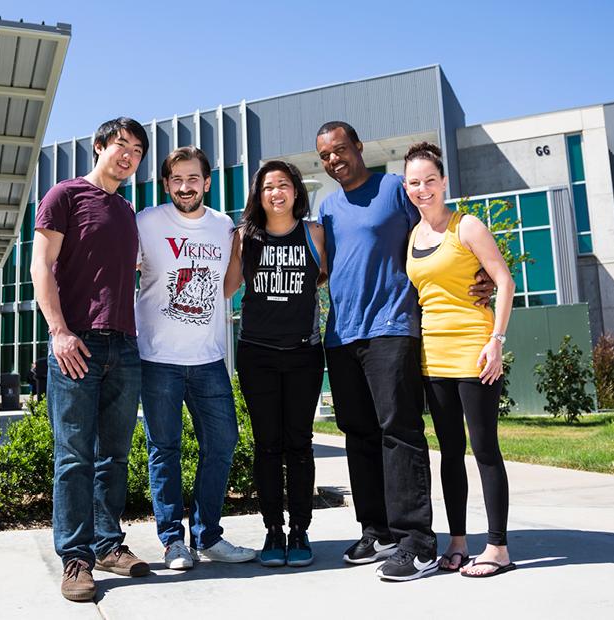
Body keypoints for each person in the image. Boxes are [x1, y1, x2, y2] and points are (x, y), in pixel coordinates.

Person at [314, 121, 494, 582]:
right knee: (358, 433)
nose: (334, 159)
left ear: (358, 146)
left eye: (340, 150)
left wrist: (481, 271)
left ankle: (416, 542)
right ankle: (377, 530)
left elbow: (439, 229)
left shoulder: (395, 188)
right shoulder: (327, 206)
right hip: (342, 333)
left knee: (399, 430)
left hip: (392, 326)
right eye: (325, 155)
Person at [30, 117, 150, 603]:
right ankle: (75, 558)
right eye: (121, 145)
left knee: (114, 456)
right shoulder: (65, 195)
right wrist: (58, 331)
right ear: (99, 147)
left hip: (124, 346)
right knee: (74, 456)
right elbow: (41, 265)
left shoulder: (126, 210)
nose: (128, 155)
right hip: (77, 343)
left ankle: (107, 544)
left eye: (137, 150)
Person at [135, 146, 256, 570]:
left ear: (206, 182)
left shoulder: (224, 227)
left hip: (208, 358)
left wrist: (241, 248)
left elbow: (225, 289)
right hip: (157, 358)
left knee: (222, 443)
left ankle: (207, 535)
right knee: (163, 450)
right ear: (166, 184)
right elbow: (122, 271)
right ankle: (173, 542)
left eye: (193, 179)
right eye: (176, 180)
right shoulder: (146, 222)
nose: (185, 187)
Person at [403, 142, 516, 578]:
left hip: (474, 350)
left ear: (444, 181)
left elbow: (503, 281)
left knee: (485, 449)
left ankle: (498, 548)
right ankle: (458, 543)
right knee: (450, 452)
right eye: (414, 182)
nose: (423, 188)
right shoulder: (414, 235)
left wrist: (497, 340)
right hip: (434, 356)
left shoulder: (466, 226)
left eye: (430, 180)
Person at [225, 160, 326, 567]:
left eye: (284, 185)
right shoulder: (244, 237)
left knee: (299, 443)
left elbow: (333, 274)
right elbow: (227, 287)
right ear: (259, 194)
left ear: (296, 192)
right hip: (257, 354)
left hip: (303, 353)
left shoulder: (314, 233)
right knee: (268, 445)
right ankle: (272, 531)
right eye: (268, 187)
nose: (276, 192)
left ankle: (299, 530)